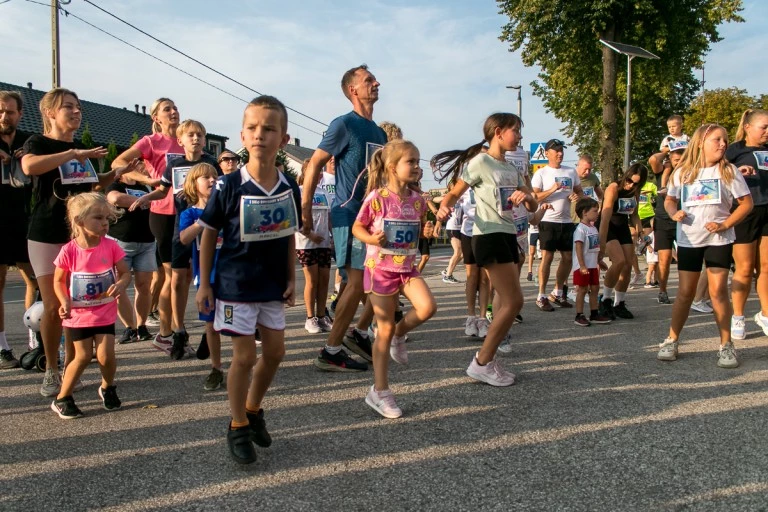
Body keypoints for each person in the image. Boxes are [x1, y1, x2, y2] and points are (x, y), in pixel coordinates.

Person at [196, 95, 300, 464]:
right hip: (234, 285)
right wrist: (205, 285)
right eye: (253, 128)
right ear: (242, 135)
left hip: (271, 284)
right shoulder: (228, 185)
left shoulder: (289, 185)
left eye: (269, 129)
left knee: (275, 353)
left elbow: (288, 234)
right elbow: (208, 232)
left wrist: (291, 277)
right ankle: (237, 424)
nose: (260, 135)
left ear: (283, 138)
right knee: (243, 356)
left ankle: (254, 410)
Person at [21, 88, 124, 397]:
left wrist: (116, 173)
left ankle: (70, 365)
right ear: (50, 112)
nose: (77, 112)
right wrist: (73, 154)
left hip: (78, 236)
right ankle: (51, 368)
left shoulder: (80, 148)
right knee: (53, 305)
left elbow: (92, 184)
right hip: (46, 234)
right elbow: (29, 167)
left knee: (73, 304)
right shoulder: (37, 143)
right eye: (69, 107)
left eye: (79, 107)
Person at [435, 112, 537, 386]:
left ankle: (487, 360)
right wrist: (445, 206)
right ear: (499, 132)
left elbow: (533, 205)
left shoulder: (512, 168)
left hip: (507, 234)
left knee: (508, 300)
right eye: (516, 130)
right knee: (513, 301)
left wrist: (525, 196)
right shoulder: (480, 162)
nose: (520, 136)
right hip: (487, 234)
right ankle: (481, 361)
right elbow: (455, 193)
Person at [300, 65, 387, 372]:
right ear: (353, 89)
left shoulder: (378, 133)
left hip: (372, 217)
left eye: (374, 79)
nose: (376, 83)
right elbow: (314, 165)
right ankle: (331, 350)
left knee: (367, 280)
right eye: (368, 80)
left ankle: (359, 333)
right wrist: (306, 208)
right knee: (355, 281)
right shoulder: (343, 124)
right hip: (348, 213)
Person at [352, 140, 437, 418]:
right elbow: (357, 226)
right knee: (383, 329)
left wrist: (427, 229)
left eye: (418, 160)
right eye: (410, 161)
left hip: (407, 267)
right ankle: (380, 391)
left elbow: (419, 228)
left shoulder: (417, 199)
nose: (416, 166)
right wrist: (370, 237)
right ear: (392, 167)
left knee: (427, 308)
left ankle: (401, 334)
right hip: (380, 269)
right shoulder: (377, 197)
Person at [657, 123, 752, 367]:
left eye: (725, 140)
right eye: (717, 139)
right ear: (701, 142)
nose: (723, 144)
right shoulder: (683, 172)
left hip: (718, 240)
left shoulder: (729, 171)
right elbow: (669, 199)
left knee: (718, 291)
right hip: (689, 239)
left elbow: (746, 204)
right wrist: (673, 212)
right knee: (685, 293)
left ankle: (726, 345)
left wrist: (725, 224)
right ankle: (672, 340)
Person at [129, 119, 221, 359]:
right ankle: (179, 331)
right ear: (180, 141)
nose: (196, 138)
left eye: (200, 134)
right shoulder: (174, 165)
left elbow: (222, 192)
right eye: (190, 135)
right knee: (177, 279)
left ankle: (210, 329)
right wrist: (146, 198)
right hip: (181, 224)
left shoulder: (211, 164)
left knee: (211, 277)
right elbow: (162, 190)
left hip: (209, 227)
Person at [51, 192, 131, 418]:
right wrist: (64, 300)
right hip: (79, 315)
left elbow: (125, 272)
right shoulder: (69, 250)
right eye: (98, 218)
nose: (105, 223)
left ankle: (107, 387)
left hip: (105, 311)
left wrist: (122, 284)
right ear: (79, 221)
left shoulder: (111, 246)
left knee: (106, 356)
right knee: (83, 356)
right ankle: (62, 397)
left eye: (107, 218)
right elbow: (58, 280)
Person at [112, 98, 182, 349]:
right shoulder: (151, 142)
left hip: (187, 214)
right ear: (156, 118)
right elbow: (118, 164)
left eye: (175, 108)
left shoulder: (186, 139)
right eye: (167, 109)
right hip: (163, 213)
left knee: (180, 278)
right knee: (173, 276)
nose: (174, 112)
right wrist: (148, 180)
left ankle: (173, 333)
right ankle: (169, 334)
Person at [177, 162, 224, 390]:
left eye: (215, 176)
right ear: (194, 184)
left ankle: (243, 365)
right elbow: (184, 238)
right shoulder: (190, 213)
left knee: (237, 324)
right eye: (206, 177)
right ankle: (216, 368)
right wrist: (202, 222)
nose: (212, 180)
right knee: (212, 326)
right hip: (206, 277)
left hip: (231, 274)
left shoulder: (226, 208)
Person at [0, 90, 36, 369]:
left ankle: (35, 339)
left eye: (10, 112)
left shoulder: (28, 141)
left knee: (34, 281)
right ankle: (2, 348)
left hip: (24, 217)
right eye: (0, 111)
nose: (4, 116)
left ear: (19, 114)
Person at [727, 109, 768, 340]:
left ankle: (765, 314)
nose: (767, 132)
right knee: (744, 269)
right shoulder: (735, 150)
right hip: (745, 211)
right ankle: (738, 316)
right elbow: (716, 173)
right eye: (764, 127)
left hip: (767, 210)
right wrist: (736, 172)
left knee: (766, 267)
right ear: (748, 127)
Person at [531, 139, 584, 311]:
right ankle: (541, 295)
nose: (560, 153)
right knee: (547, 257)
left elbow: (580, 192)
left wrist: (577, 197)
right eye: (556, 151)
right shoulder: (541, 173)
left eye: (561, 150)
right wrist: (553, 189)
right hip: (548, 220)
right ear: (547, 153)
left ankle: (558, 291)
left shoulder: (570, 171)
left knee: (568, 258)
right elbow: (535, 198)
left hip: (567, 221)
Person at [105, 171, 156, 344]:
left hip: (147, 242)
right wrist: (146, 201)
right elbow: (115, 199)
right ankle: (130, 327)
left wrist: (149, 198)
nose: (142, 168)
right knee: (119, 286)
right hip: (121, 243)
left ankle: (141, 326)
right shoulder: (116, 185)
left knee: (144, 285)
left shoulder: (146, 187)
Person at [597, 163, 647, 320]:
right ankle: (605, 299)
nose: (630, 185)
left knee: (627, 265)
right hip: (607, 225)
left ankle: (619, 303)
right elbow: (604, 217)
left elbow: (634, 214)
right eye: (629, 181)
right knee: (618, 261)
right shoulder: (613, 188)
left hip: (622, 226)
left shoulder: (635, 191)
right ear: (626, 176)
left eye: (636, 183)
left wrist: (640, 231)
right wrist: (602, 243)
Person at [296, 159, 333, 333]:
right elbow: (295, 218)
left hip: (324, 242)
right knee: (312, 280)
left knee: (325, 279)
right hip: (306, 243)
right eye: (315, 171)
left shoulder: (324, 192)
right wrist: (309, 234)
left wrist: (332, 237)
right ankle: (310, 318)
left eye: (320, 171)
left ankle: (321, 315)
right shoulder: (299, 191)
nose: (319, 175)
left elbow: (329, 217)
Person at [648, 140, 688, 304]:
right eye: (676, 160)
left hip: (684, 220)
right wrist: (667, 150)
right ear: (670, 159)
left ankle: (686, 291)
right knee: (664, 259)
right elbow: (652, 160)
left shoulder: (690, 173)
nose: (679, 163)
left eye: (682, 160)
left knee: (685, 258)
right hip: (663, 219)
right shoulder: (663, 171)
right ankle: (663, 291)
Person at [571, 198, 611, 326]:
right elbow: (578, 247)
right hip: (582, 266)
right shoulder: (580, 229)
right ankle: (579, 315)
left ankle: (594, 313)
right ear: (585, 212)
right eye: (595, 211)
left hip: (593, 265)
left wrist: (599, 261)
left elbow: (594, 248)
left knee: (594, 288)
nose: (597, 213)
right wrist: (582, 265)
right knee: (582, 289)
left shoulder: (593, 228)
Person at [440, 180, 464, 284]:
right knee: (458, 251)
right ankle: (448, 275)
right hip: (452, 227)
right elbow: (437, 199)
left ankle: (447, 269)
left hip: (461, 227)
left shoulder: (463, 197)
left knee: (463, 253)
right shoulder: (449, 198)